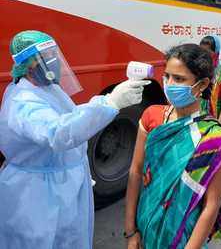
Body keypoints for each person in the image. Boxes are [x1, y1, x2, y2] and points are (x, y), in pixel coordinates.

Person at [0, 30, 147, 248]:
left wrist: (106, 101)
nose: (55, 61)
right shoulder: (23, 102)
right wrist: (111, 104)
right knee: (40, 241)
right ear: (30, 64)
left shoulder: (46, 88)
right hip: (38, 194)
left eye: (54, 54)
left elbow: (70, 116)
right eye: (48, 56)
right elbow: (58, 132)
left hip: (59, 187)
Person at [124, 44, 221, 249]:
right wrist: (130, 231)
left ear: (202, 85)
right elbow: (136, 171)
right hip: (144, 228)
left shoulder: (213, 138)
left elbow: (212, 205)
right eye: (167, 76)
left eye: (180, 79)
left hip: (184, 237)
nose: (170, 84)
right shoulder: (152, 116)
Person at [199, 36, 221, 135]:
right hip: (197, 124)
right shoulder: (198, 72)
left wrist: (217, 126)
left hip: (214, 124)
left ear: (216, 53)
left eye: (208, 52)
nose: (204, 55)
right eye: (202, 51)